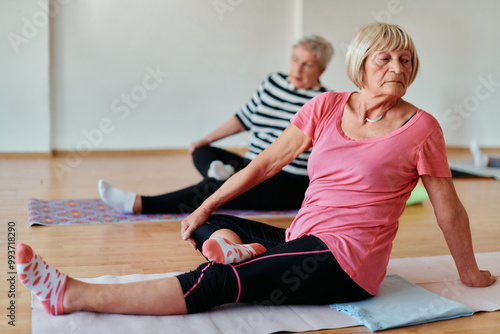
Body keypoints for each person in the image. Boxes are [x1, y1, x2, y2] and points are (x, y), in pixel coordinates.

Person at [17, 22, 496, 317]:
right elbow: (267, 161)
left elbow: (448, 211)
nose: (399, 66)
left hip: (345, 262)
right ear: (361, 64)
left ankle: (73, 295)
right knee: (206, 224)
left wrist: (469, 273)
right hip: (300, 237)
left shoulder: (421, 127)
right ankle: (238, 249)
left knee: (222, 287)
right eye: (386, 57)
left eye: (406, 59)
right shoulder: (326, 106)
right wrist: (204, 203)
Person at [97, 35, 334, 215]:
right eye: (295, 60)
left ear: (321, 70)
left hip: (285, 180)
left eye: (307, 65)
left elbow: (330, 151)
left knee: (215, 188)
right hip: (251, 163)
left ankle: (138, 204)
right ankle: (227, 179)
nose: (297, 68)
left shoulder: (325, 101)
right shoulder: (273, 83)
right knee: (201, 151)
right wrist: (205, 141)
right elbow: (243, 119)